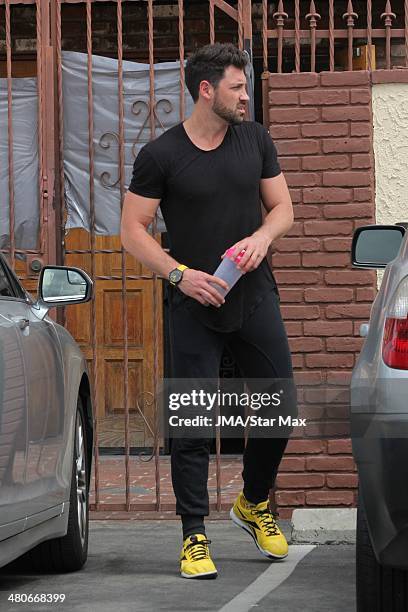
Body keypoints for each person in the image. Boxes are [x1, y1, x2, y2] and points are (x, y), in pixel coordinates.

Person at [121, 42, 295, 580]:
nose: (246, 95)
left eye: (246, 87)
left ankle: (254, 501)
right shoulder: (161, 155)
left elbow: (283, 208)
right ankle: (194, 534)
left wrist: (263, 238)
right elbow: (132, 231)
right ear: (206, 90)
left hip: (253, 293)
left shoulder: (255, 140)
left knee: (277, 407)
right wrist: (179, 275)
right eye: (237, 87)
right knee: (194, 420)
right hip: (193, 302)